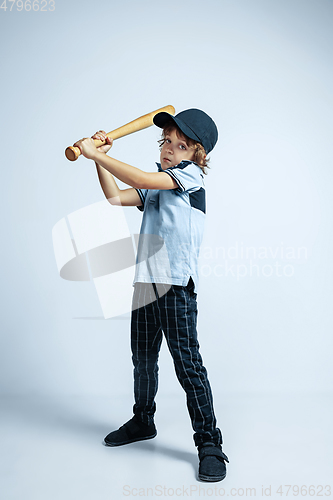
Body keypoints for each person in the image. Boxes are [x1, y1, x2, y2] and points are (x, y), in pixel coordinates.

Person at [74, 108, 229, 482]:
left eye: (181, 145)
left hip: (176, 288)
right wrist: (99, 159)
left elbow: (143, 177)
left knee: (188, 367)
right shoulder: (158, 184)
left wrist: (99, 153)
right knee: (142, 360)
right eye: (166, 142)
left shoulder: (187, 180)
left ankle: (210, 443)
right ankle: (143, 420)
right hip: (146, 284)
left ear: (197, 156)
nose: (170, 150)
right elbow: (115, 198)